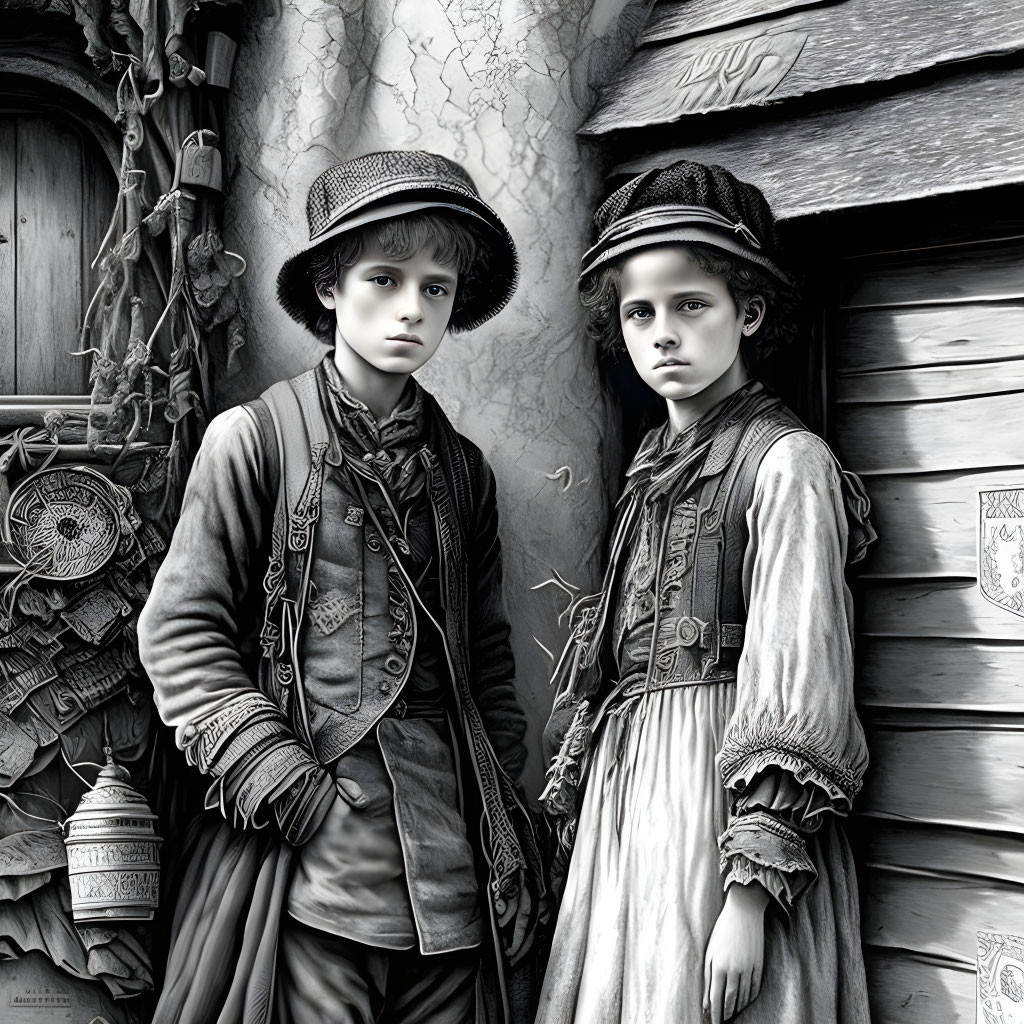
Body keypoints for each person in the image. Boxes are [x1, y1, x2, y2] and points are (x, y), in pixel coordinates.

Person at [138, 150, 544, 1024]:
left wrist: (498, 824)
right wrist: (283, 780)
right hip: (313, 855)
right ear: (329, 286)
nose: (411, 309)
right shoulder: (253, 441)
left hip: (449, 861)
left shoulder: (464, 474)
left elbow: (487, 665)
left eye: (436, 289)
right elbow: (179, 629)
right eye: (385, 279)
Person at [536, 160, 875, 1024]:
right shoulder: (652, 463)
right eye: (639, 312)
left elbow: (799, 674)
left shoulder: (786, 463)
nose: (663, 336)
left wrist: (750, 898)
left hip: (722, 804)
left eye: (693, 306)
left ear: (748, 312)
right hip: (635, 800)